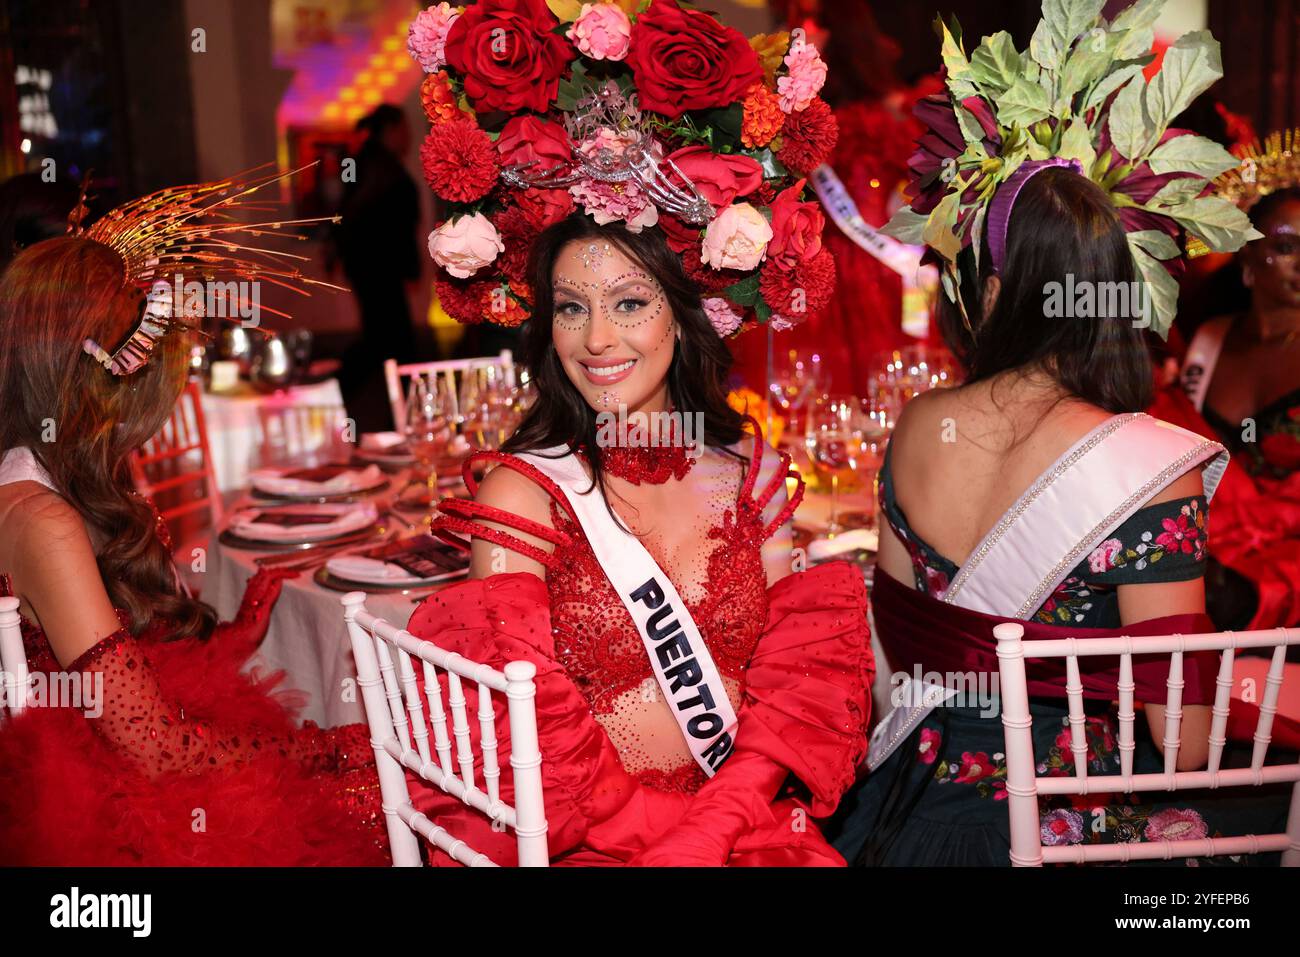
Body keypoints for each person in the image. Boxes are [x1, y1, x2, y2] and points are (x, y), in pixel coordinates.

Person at [401, 0, 871, 865]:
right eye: (571, 309)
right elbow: (525, 756)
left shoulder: (750, 471)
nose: (596, 341)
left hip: (737, 828)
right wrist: (684, 841)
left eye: (628, 304)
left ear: (687, 316)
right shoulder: (526, 495)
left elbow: (796, 688)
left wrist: (720, 823)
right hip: (589, 846)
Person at [824, 6, 1290, 865]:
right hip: (1065, 838)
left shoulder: (920, 423)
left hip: (904, 818)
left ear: (994, 292)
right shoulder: (1149, 465)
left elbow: (894, 658)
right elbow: (1179, 741)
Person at [0, 173, 385, 865]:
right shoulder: (42, 521)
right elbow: (156, 748)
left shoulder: (28, 475)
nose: (135, 421)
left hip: (116, 744)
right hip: (118, 803)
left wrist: (233, 635)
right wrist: (324, 748)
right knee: (380, 784)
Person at [1176, 180, 1300, 630]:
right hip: (1203, 564)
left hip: (1283, 582)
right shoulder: (1210, 339)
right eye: (1286, 246)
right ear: (1247, 257)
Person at [336, 104, 424, 433]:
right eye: (403, 129)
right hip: (379, 272)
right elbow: (388, 225)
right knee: (391, 346)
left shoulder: (370, 163)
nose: (408, 137)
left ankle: (401, 419)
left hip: (373, 271)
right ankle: (403, 421)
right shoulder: (378, 167)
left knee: (385, 344)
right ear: (390, 130)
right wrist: (408, 265)